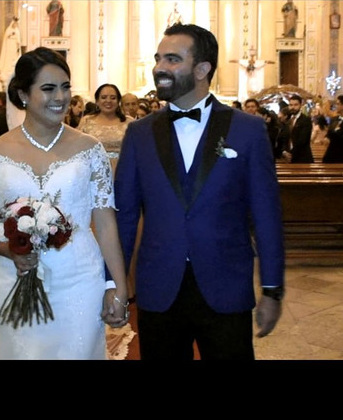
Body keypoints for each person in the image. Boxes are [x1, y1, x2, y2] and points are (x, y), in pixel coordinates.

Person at [114, 23, 285, 360]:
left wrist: (272, 289)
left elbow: (267, 215)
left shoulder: (248, 130)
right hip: (159, 286)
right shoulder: (139, 134)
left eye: (173, 59)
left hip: (226, 284)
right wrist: (112, 284)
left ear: (203, 68)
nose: (160, 68)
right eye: (158, 58)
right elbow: (124, 216)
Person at [0, 46, 128, 360]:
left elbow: (106, 224)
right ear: (23, 94)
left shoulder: (90, 150)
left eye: (66, 87)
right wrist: (9, 249)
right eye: (48, 88)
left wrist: (120, 287)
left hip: (80, 279)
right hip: (14, 279)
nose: (60, 97)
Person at [77, 84, 130, 173]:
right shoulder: (86, 121)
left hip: (123, 170)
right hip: (93, 170)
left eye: (113, 98)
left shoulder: (129, 122)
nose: (108, 101)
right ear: (97, 101)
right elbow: (78, 148)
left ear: (118, 101)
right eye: (104, 97)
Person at [281, 94, 314, 163]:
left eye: (296, 105)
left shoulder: (306, 120)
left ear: (300, 105)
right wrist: (284, 152)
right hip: (289, 158)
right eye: (291, 105)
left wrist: (290, 153)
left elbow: (302, 140)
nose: (293, 107)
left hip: (302, 158)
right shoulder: (288, 120)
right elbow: (284, 138)